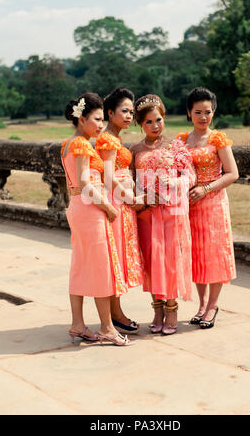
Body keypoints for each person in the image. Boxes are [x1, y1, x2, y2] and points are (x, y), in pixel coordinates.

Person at [61, 92, 134, 346]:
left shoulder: (67, 144)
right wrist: (108, 208)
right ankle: (106, 327)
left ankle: (78, 324)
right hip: (89, 206)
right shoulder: (81, 144)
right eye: (97, 119)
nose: (101, 125)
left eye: (103, 119)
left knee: (80, 264)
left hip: (77, 206)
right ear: (82, 119)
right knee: (102, 267)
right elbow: (84, 183)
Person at [131, 94, 196, 335]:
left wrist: (176, 182)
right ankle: (156, 308)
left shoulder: (175, 146)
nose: (155, 126)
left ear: (164, 118)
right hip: (147, 213)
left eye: (158, 119)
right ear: (141, 124)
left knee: (170, 260)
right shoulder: (135, 149)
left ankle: (172, 309)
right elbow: (132, 182)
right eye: (149, 122)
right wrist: (141, 198)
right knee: (151, 260)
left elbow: (191, 177)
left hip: (172, 211)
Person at [176, 87, 238, 329]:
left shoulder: (217, 139)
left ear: (214, 112)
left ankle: (212, 305)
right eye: (198, 112)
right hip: (189, 205)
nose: (203, 117)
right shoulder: (181, 141)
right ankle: (201, 304)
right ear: (189, 113)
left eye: (208, 112)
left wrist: (206, 189)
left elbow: (233, 173)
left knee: (214, 254)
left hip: (213, 203)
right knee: (196, 254)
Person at [95, 87, 145, 335]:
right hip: (115, 201)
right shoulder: (107, 139)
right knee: (114, 256)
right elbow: (109, 175)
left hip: (121, 201)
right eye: (124, 111)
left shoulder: (115, 138)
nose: (129, 116)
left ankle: (116, 312)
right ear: (110, 112)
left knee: (119, 255)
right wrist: (130, 197)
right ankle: (115, 314)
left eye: (131, 112)